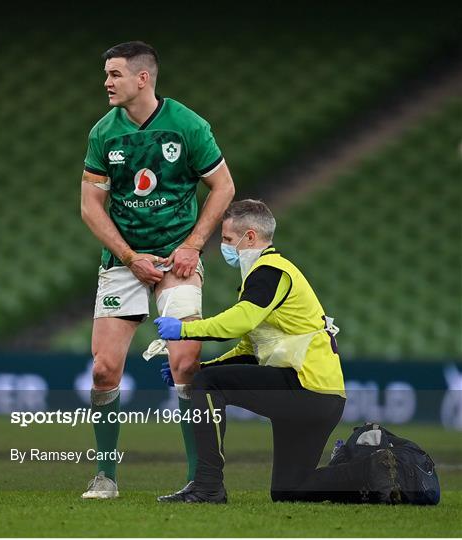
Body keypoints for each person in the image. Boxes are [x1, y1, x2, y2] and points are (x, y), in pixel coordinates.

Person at [80, 41, 235, 499]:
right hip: (126, 261)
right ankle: (105, 476)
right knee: (104, 370)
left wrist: (192, 245)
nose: (107, 82)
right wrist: (130, 257)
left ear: (143, 78)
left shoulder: (187, 125)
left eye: (115, 74)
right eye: (106, 75)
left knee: (186, 362)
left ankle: (198, 480)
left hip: (177, 259)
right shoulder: (103, 133)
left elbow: (223, 186)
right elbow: (90, 205)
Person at [154, 199, 346, 503]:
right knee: (290, 491)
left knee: (207, 386)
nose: (225, 247)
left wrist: (186, 330)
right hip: (322, 396)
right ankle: (376, 472)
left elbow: (239, 320)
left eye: (228, 240)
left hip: (305, 387)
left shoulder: (269, 271)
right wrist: (203, 368)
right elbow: (249, 349)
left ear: (251, 237)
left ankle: (207, 486)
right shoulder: (268, 274)